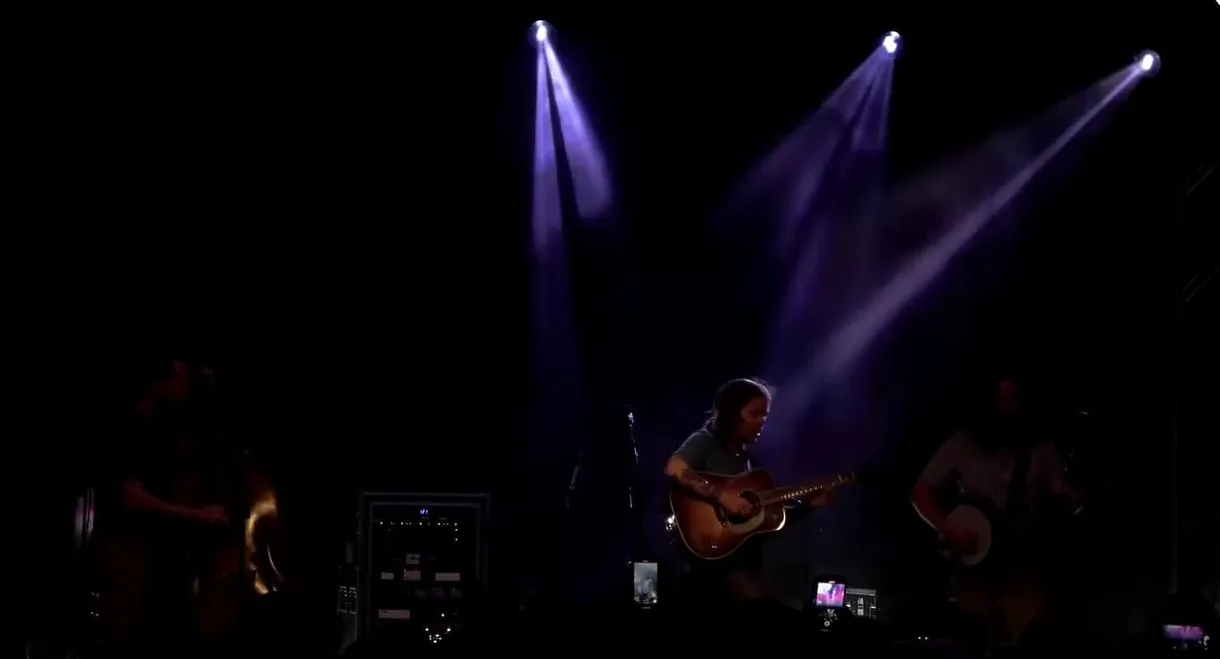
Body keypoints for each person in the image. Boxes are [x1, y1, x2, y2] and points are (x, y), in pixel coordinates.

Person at [910, 379, 1082, 645]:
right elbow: (922, 491)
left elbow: (1064, 500)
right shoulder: (964, 443)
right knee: (973, 644)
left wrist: (1072, 500)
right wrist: (949, 530)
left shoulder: (1041, 449)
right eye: (1002, 400)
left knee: (1030, 643)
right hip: (974, 570)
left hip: (1025, 566)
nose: (1008, 408)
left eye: (1014, 400)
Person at [93, 358, 243, 657]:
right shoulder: (130, 428)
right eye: (183, 382)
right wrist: (196, 516)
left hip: (153, 569)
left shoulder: (160, 428)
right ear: (158, 382)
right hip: (132, 572)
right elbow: (130, 498)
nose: (187, 389)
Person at [665, 378, 833, 605]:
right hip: (712, 573)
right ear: (733, 413)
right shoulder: (705, 441)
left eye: (765, 415)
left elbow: (763, 525)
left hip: (741, 568)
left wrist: (807, 507)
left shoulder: (746, 464)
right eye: (755, 413)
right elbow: (675, 468)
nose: (762, 421)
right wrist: (722, 496)